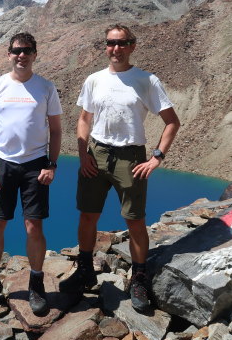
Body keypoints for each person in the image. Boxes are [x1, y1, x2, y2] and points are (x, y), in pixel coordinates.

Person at [60, 24, 180, 313]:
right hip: (96, 154)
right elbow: (84, 118)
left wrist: (156, 158)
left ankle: (139, 277)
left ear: (132, 46)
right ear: (105, 47)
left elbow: (172, 121)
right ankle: (86, 268)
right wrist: (83, 154)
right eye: (111, 43)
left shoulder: (147, 80)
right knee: (88, 215)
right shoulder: (94, 80)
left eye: (122, 43)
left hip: (131, 157)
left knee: (135, 220)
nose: (116, 48)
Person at [0, 32, 62, 316]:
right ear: (9, 54)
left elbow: (56, 129)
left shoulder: (46, 88)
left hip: (35, 164)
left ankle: (36, 282)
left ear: (35, 53)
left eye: (27, 50)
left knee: (33, 226)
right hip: (2, 164)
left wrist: (52, 164)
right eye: (16, 51)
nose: (21, 55)